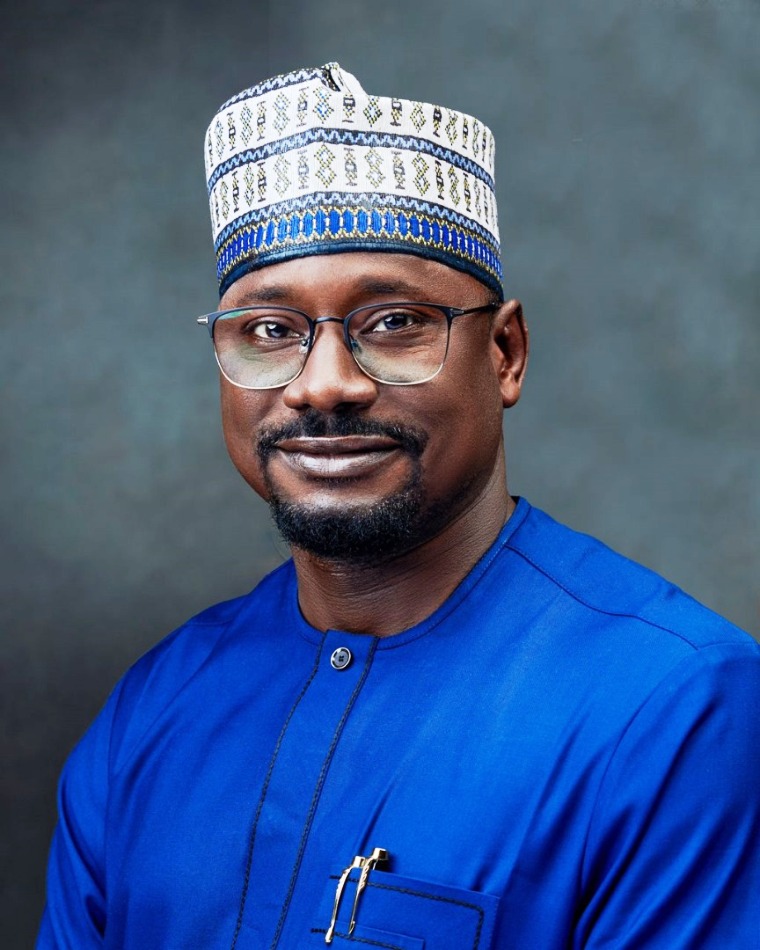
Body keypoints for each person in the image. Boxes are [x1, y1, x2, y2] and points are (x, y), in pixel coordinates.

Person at [38, 63, 760, 949]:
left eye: (393, 323)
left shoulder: (674, 708)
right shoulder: (153, 711)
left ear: (505, 353)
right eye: (269, 331)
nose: (324, 384)